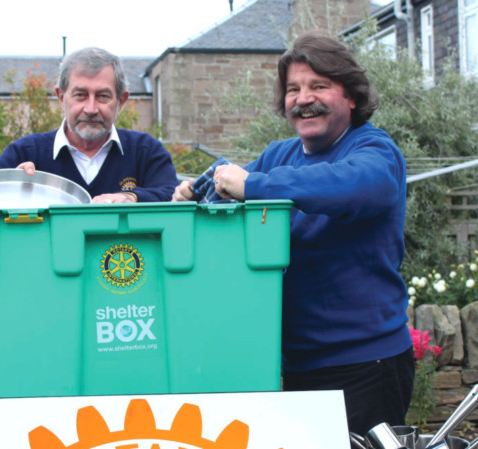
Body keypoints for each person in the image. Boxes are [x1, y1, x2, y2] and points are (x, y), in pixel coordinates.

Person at [173, 32, 414, 436]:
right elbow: (224, 188)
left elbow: (349, 184)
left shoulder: (373, 151)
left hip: (365, 364)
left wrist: (253, 185)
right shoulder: (278, 155)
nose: (304, 99)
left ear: (351, 97)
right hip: (297, 362)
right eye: (293, 89)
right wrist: (193, 192)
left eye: (319, 86)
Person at [0, 47, 178, 203]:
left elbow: (175, 198)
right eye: (80, 95)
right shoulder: (23, 153)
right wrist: (10, 189)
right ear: (61, 97)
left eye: (103, 96)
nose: (91, 109)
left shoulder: (146, 152)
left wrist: (132, 197)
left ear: (121, 101)